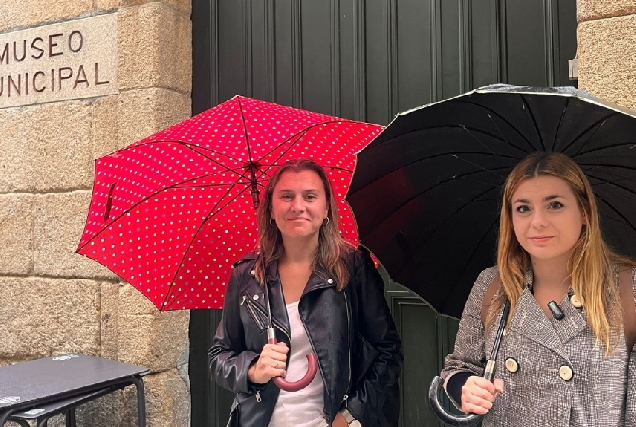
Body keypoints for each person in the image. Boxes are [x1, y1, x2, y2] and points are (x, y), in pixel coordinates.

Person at [440, 152, 636, 426]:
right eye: (523, 208)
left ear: (585, 213)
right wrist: (464, 388)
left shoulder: (627, 289)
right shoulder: (492, 286)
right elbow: (460, 367)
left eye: (554, 204)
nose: (538, 221)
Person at [209, 158, 402, 427]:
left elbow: (387, 352)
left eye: (310, 196)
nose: (297, 206)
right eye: (286, 196)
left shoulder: (353, 267)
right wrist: (252, 369)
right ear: (271, 210)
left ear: (326, 209)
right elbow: (220, 355)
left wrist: (350, 416)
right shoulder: (246, 276)